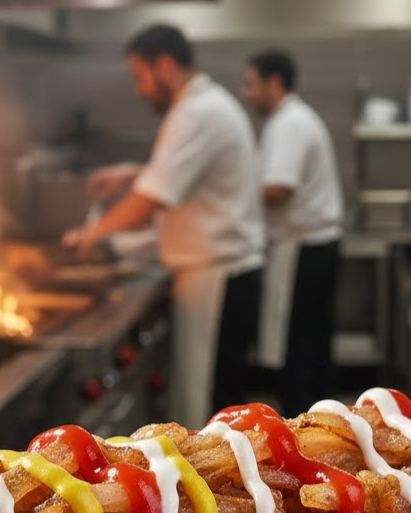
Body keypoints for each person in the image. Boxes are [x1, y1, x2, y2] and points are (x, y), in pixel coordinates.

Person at [64, 24, 264, 428]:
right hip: (219, 276)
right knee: (217, 407)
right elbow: (179, 172)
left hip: (218, 281)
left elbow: (151, 199)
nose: (139, 89)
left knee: (217, 417)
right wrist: (128, 174)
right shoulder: (204, 105)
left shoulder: (195, 112)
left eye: (140, 76)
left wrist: (91, 236)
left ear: (166, 66)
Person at [242, 48, 344, 416]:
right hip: (311, 247)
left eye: (251, 84)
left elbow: (279, 188)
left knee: (299, 351)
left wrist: (232, 196)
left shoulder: (290, 124)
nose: (247, 93)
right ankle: (320, 423)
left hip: (304, 250)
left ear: (274, 82)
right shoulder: (290, 120)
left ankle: (304, 429)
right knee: (310, 347)